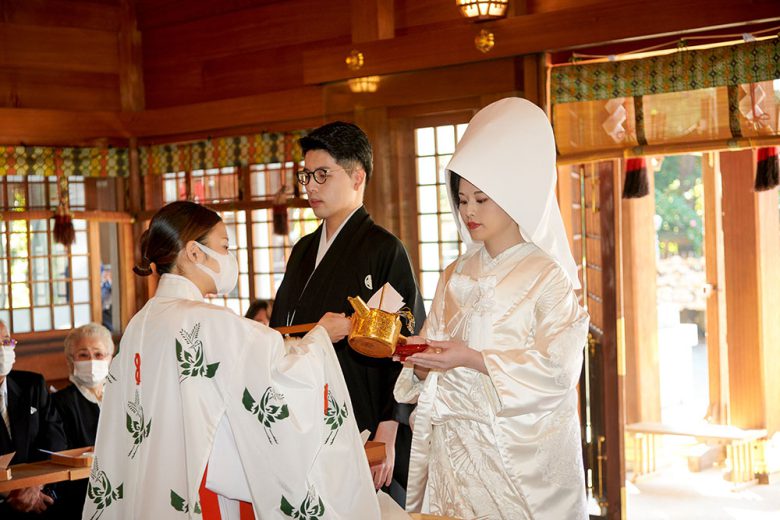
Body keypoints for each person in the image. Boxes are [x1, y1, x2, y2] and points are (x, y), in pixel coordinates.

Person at [82, 201, 380, 519]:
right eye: (224, 246)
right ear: (194, 253)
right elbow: (279, 381)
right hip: (202, 491)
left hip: (150, 489)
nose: (229, 257)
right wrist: (320, 339)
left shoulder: (140, 323)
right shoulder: (209, 322)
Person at [394, 98, 589, 519]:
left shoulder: (547, 275)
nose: (468, 211)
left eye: (481, 199)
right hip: (456, 447)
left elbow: (558, 369)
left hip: (514, 453)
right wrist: (417, 357)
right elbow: (435, 353)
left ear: (513, 196)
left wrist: (472, 357)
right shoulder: (454, 273)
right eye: (462, 199)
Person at [270, 122, 426, 505]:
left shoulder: (385, 250)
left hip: (364, 416)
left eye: (323, 174)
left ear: (358, 176)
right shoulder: (303, 250)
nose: (311, 186)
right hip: (306, 412)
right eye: (307, 175)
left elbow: (404, 344)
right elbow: (281, 329)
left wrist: (388, 429)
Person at [0, 321, 68, 519]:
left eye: (6, 342)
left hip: (40, 498)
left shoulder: (32, 384)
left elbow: (55, 439)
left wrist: (36, 486)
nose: (3, 350)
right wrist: (12, 492)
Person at [51, 323, 114, 519]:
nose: (92, 361)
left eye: (98, 354)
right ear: (71, 360)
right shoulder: (58, 402)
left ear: (110, 358)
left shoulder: (122, 395)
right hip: (81, 493)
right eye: (83, 355)